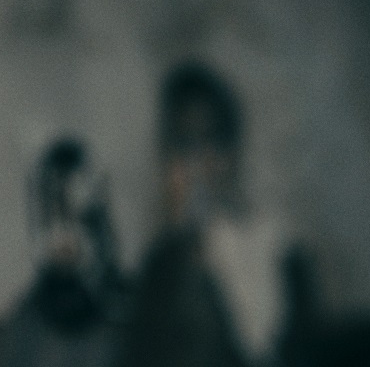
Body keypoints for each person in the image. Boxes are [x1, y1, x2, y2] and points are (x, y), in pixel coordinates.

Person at [119, 61, 294, 367]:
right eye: (184, 145)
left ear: (231, 153)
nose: (197, 166)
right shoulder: (159, 270)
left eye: (211, 140)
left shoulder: (275, 255)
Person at [0, 136, 127, 367]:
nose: (65, 236)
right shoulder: (23, 331)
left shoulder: (135, 318)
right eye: (53, 219)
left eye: (75, 218)